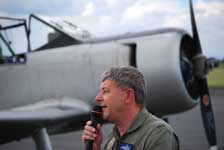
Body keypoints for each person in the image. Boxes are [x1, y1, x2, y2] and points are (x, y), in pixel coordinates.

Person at [82, 66, 179, 150]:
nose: (98, 98)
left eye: (106, 91)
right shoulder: (113, 137)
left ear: (128, 96)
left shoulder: (158, 134)